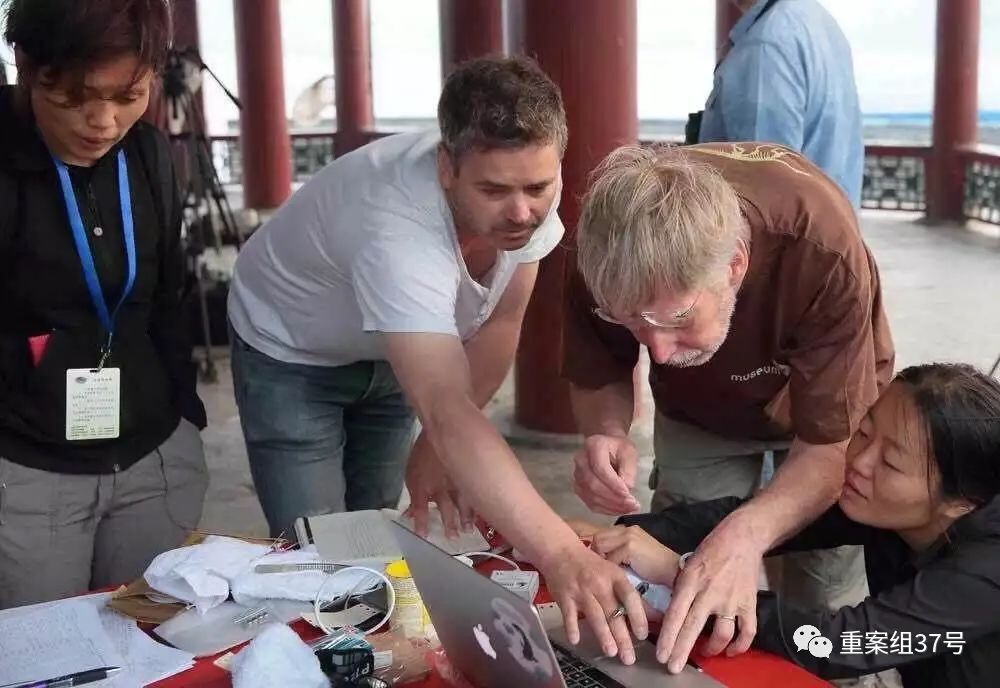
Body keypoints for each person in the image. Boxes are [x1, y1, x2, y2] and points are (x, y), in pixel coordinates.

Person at [227, 55, 646, 662]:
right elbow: (446, 406)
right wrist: (560, 552)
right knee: (317, 555)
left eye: (538, 188)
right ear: (447, 166)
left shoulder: (527, 195)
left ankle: (373, 660)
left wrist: (435, 445)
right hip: (291, 350)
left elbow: (500, 323)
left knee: (375, 532)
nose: (522, 212)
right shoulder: (396, 227)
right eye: (494, 190)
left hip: (396, 350)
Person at [564, 142, 894, 662]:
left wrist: (746, 536)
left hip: (819, 405)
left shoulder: (822, 249)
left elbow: (829, 443)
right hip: (702, 408)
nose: (658, 355)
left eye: (677, 319)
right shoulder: (603, 250)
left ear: (736, 264)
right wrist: (606, 429)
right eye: (632, 324)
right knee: (676, 574)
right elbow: (598, 365)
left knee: (821, 590)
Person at [578, 363, 1000, 687]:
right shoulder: (884, 501)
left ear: (961, 502)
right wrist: (622, 536)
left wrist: (682, 572)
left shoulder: (985, 575)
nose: (860, 461)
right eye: (865, 433)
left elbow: (840, 643)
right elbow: (746, 518)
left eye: (890, 463)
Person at [0, 0, 208, 608]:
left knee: (152, 634)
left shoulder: (149, 156)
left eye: (129, 95)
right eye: (74, 98)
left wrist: (185, 416)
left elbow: (169, 298)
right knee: (44, 646)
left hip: (152, 454)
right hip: (27, 469)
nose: (103, 122)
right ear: (26, 66)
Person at [696, 0, 864, 208]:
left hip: (791, 226)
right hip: (833, 220)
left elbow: (766, 183)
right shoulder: (819, 23)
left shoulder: (766, 41)